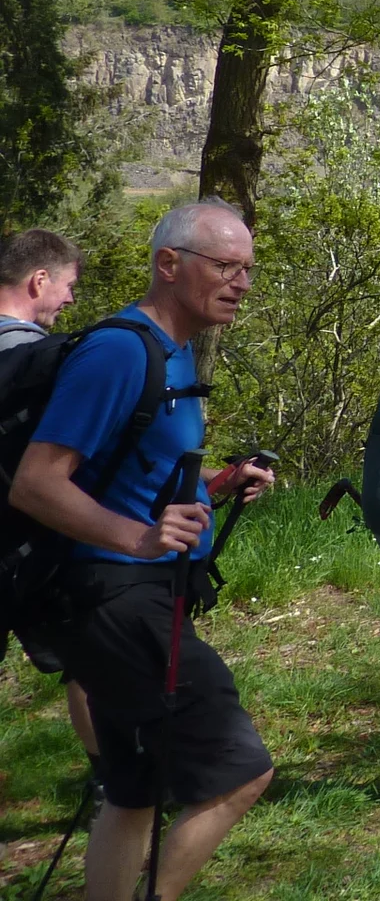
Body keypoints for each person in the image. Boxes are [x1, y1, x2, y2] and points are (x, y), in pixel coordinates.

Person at [10, 200, 277, 901]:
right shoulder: (119, 351)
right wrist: (141, 538)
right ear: (168, 264)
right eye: (225, 265)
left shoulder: (172, 351)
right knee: (240, 769)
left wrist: (216, 484)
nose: (241, 282)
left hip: (131, 594)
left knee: (133, 789)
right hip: (114, 599)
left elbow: (134, 475)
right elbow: (36, 484)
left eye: (248, 269)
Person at [0, 229, 104, 803]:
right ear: (39, 280)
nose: (68, 300)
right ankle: (110, 780)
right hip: (29, 547)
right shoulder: (35, 360)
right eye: (67, 287)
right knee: (89, 658)